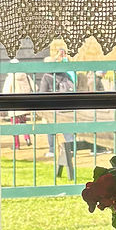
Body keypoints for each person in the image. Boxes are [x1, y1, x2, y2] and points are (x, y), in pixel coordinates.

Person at [37, 43, 76, 180]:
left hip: (53, 107)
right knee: (67, 128)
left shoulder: (47, 76)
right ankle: (71, 148)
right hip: (67, 106)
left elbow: (42, 92)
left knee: (51, 129)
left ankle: (52, 150)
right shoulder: (65, 74)